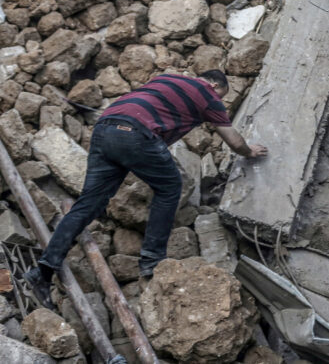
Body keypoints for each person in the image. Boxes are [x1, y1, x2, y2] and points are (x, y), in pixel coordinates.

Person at [24, 71, 267, 307]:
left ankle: (43, 271)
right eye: (221, 96)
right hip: (136, 134)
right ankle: (151, 261)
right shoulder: (209, 95)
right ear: (214, 86)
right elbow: (233, 140)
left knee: (88, 204)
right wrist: (249, 151)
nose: (218, 102)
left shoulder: (166, 77)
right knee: (170, 188)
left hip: (104, 129)